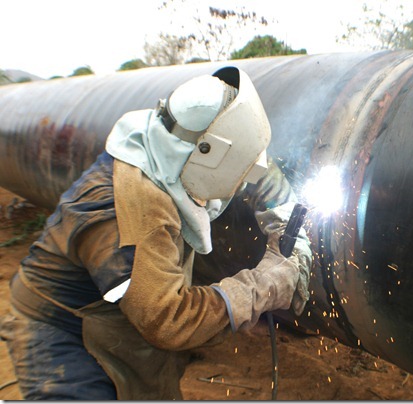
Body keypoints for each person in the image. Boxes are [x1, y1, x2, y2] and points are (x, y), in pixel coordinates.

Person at [0, 66, 311, 400]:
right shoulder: (133, 207)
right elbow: (168, 321)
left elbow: (251, 163)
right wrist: (265, 285)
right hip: (59, 327)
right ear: (209, 154)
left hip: (120, 317)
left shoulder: (172, 139)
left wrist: (284, 213)